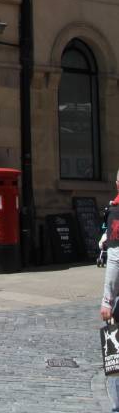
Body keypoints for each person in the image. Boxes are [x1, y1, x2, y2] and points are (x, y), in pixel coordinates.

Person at [100, 170, 119, 412]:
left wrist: (107, 300)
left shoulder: (116, 212)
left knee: (114, 345)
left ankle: (116, 403)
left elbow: (115, 260)